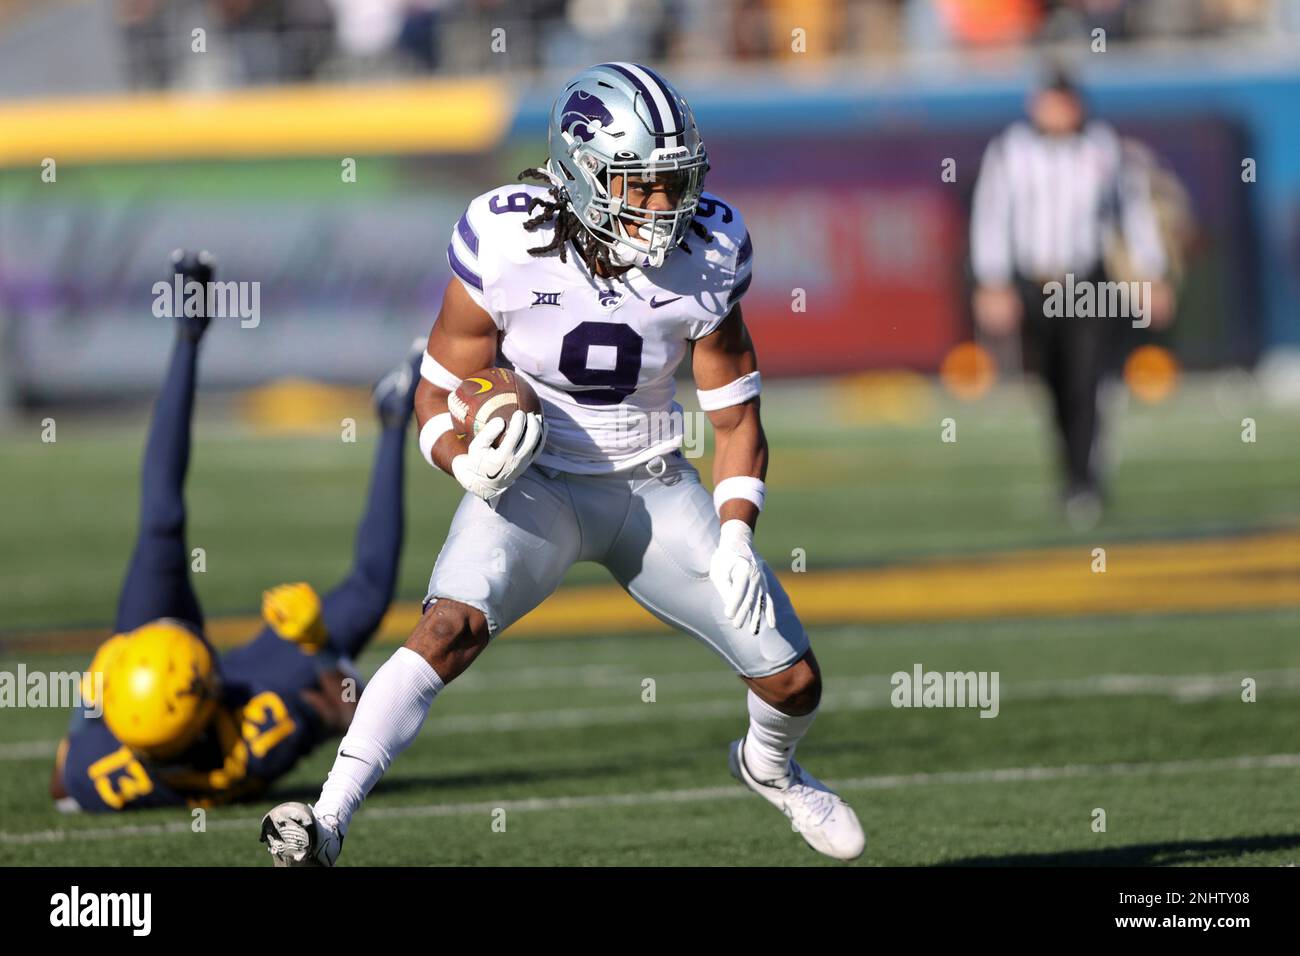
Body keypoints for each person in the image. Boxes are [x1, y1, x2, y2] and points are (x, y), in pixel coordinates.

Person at [260, 62, 865, 865]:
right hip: (534, 480)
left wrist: (737, 534)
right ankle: (327, 820)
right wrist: (460, 463)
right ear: (580, 172)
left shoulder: (709, 249)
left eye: (673, 182)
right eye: (638, 185)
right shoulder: (507, 241)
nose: (664, 208)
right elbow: (435, 392)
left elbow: (736, 417)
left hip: (650, 485)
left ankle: (771, 769)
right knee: (447, 628)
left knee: (793, 681)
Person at [50, 250, 420, 812]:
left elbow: (65, 783)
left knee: (161, 522)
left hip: (154, 678)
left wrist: (89, 704)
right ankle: (394, 416)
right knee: (367, 595)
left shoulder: (92, 770)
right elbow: (356, 712)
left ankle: (188, 331)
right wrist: (320, 649)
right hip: (226, 693)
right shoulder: (253, 742)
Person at [970, 68, 1173, 527]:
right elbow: (992, 216)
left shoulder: (1102, 147)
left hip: (1086, 282)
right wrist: (993, 281)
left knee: (1087, 378)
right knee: (1054, 383)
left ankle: (1085, 481)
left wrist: (1152, 273)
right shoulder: (1011, 151)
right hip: (1036, 283)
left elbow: (1133, 211)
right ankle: (1072, 473)